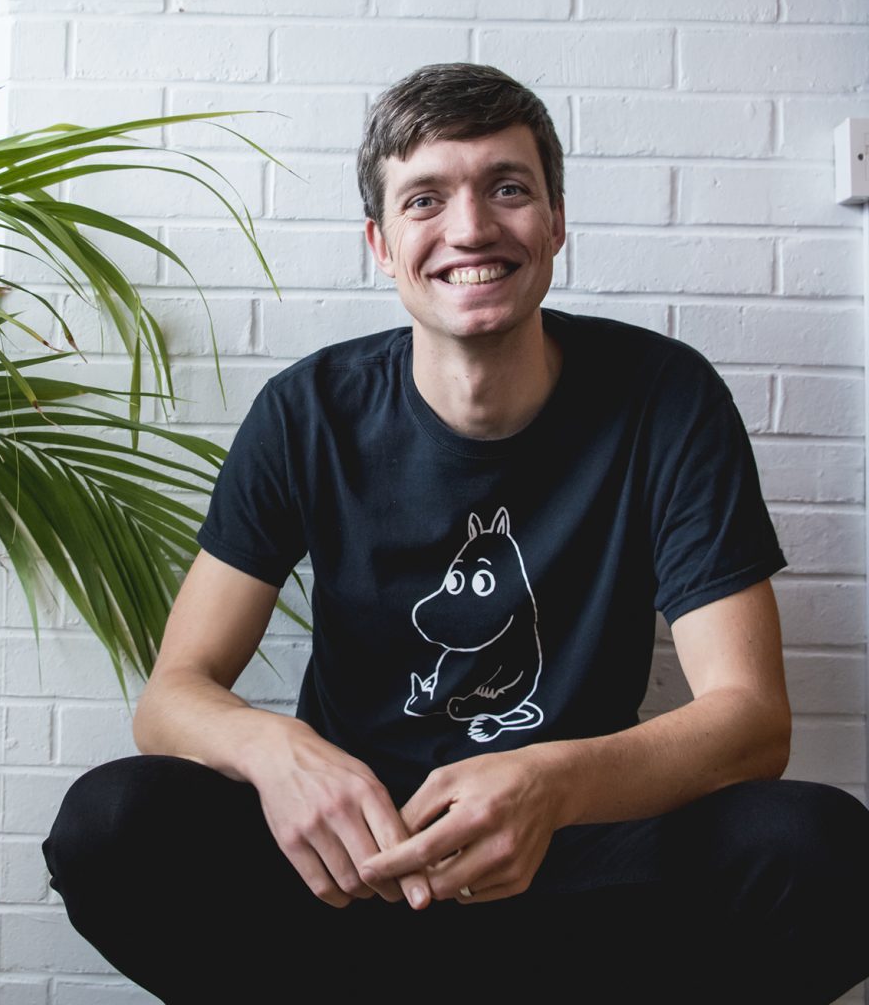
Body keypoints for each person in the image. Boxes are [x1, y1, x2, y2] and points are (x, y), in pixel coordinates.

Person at [44, 64, 869, 1003]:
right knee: (112, 822)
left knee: (823, 851)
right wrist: (278, 755)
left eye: (508, 188)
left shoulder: (665, 399)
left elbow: (751, 721)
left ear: (555, 222)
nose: (471, 228)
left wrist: (550, 787)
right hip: (349, 875)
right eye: (425, 198)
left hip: (575, 870)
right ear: (382, 244)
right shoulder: (307, 412)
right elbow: (174, 696)